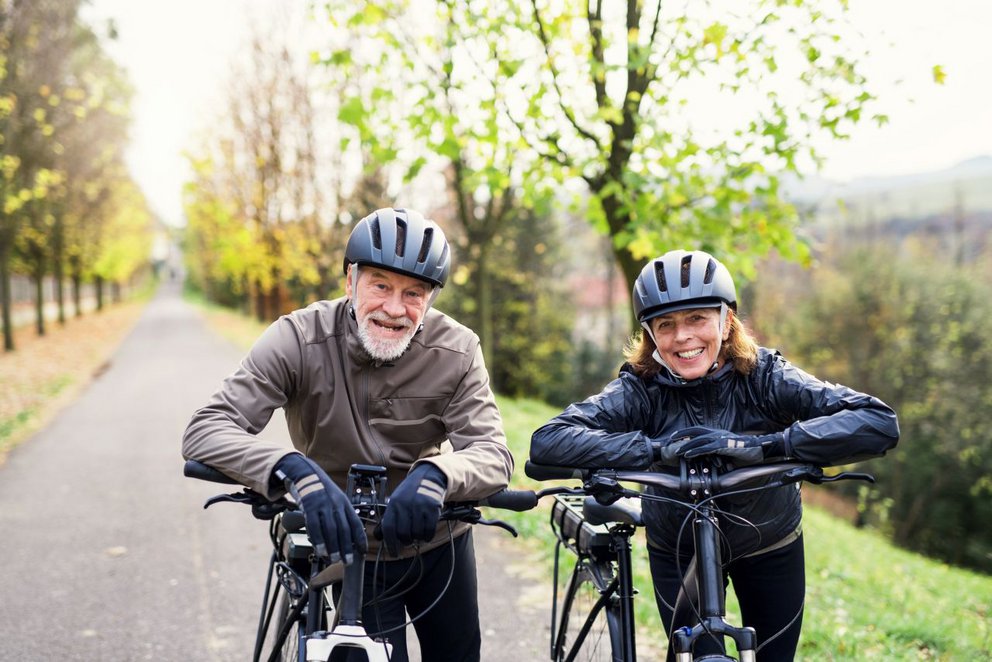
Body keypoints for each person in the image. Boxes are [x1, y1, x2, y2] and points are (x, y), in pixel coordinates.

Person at [529, 249, 899, 661]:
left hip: (767, 541)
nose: (683, 336)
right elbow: (549, 440)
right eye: (665, 325)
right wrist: (652, 449)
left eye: (697, 318)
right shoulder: (641, 388)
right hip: (678, 545)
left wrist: (769, 446)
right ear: (650, 335)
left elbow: (876, 421)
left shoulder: (764, 376)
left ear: (727, 322)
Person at [183, 207, 513, 662]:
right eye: (380, 285)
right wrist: (291, 470)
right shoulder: (298, 338)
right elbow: (206, 429)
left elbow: (493, 453)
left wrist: (439, 475)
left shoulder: (458, 349)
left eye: (414, 293)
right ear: (350, 280)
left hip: (439, 540)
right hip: (351, 543)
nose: (395, 309)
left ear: (431, 300)